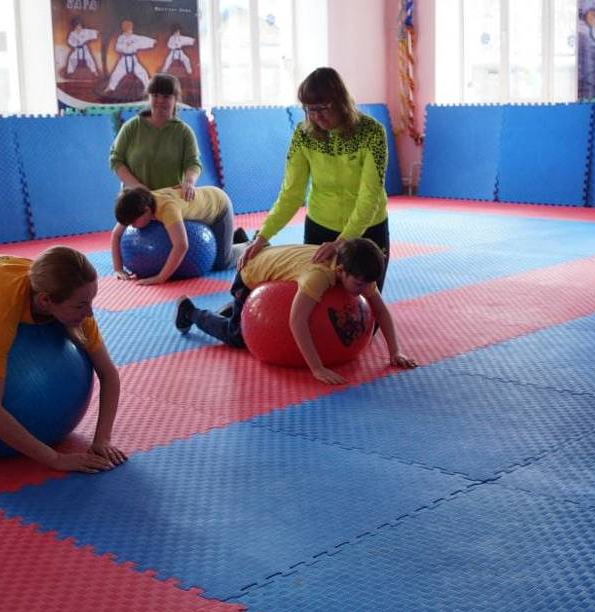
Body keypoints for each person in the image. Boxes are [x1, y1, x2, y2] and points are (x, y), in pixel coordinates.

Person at [174, 239, 416, 385]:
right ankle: (190, 312)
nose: (364, 291)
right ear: (340, 270)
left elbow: (381, 311)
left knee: (240, 321)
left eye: (366, 285)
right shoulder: (319, 276)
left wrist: (395, 352)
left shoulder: (359, 271)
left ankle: (235, 308)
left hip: (276, 260)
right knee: (237, 336)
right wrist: (317, 368)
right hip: (250, 273)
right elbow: (297, 320)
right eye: (359, 286)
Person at [241, 67, 391, 290]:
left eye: (322, 108)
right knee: (319, 307)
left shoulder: (372, 133)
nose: (316, 116)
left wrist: (342, 242)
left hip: (367, 233)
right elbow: (291, 194)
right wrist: (262, 236)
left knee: (365, 311)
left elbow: (370, 196)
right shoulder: (303, 136)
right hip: (320, 228)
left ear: (340, 101)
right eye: (309, 109)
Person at [0, 247, 126, 473]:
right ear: (45, 301)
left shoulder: (64, 292)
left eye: (91, 301)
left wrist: (102, 439)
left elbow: (108, 374)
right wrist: (56, 460)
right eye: (80, 306)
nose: (89, 313)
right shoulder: (0, 312)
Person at [110, 186, 248, 284]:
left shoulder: (167, 209)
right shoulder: (139, 204)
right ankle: (235, 236)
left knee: (222, 263)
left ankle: (250, 245)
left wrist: (160, 278)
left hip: (218, 207)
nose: (132, 227)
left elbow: (181, 245)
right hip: (200, 211)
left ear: (146, 210)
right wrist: (118, 268)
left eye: (133, 222)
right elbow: (116, 234)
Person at [109, 73, 202, 197]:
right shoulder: (131, 127)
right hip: (135, 200)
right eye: (155, 95)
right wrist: (136, 186)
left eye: (166, 96)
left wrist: (189, 181)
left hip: (170, 200)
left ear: (175, 99)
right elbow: (116, 160)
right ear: (149, 97)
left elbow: (193, 163)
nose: (160, 100)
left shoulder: (184, 132)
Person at [105, 19, 156, 94]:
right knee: (116, 73)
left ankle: (147, 87)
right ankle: (110, 87)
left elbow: (142, 40)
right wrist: (125, 46)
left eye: (131, 30)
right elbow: (117, 47)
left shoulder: (134, 37)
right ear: (125, 31)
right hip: (124, 60)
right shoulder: (121, 38)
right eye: (129, 30)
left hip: (133, 59)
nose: (131, 31)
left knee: (142, 72)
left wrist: (152, 41)